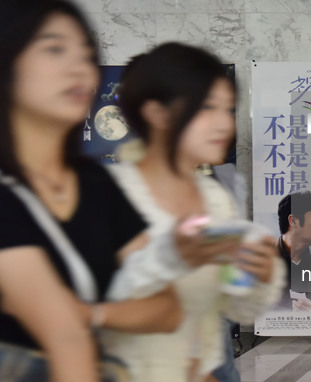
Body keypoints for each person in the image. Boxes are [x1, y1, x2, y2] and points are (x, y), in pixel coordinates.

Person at [0, 2, 227, 381]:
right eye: (54, 49)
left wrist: (96, 313)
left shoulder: (95, 184)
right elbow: (67, 338)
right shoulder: (7, 194)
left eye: (87, 54)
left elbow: (167, 310)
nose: (79, 68)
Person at [106, 43, 284, 382]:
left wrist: (257, 277)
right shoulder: (110, 193)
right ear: (156, 113)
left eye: (228, 109)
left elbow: (229, 306)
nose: (223, 124)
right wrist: (172, 257)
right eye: (207, 107)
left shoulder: (214, 198)